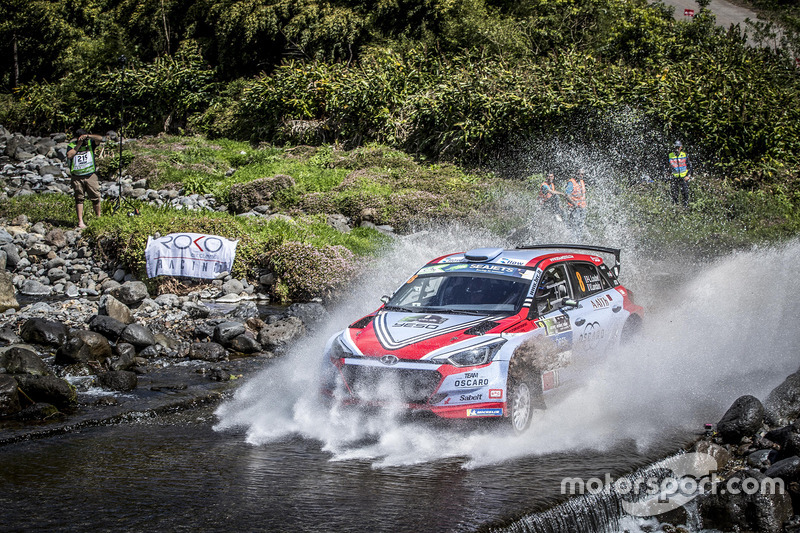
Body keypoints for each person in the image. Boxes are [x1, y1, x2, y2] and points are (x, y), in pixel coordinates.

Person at [66, 128, 104, 228]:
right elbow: (69, 155)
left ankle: (98, 218)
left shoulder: (90, 143)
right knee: (79, 198)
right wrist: (78, 144)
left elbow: (100, 138)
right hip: (77, 176)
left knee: (95, 197)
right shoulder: (72, 145)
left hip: (90, 175)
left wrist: (88, 136)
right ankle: (80, 222)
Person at [667, 140, 693, 207]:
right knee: (674, 193)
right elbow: (666, 166)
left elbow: (690, 166)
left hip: (683, 177)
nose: (677, 149)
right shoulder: (670, 155)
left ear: (681, 147)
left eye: (678, 147)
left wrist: (688, 176)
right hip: (674, 177)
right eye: (676, 147)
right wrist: (668, 173)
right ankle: (675, 207)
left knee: (685, 193)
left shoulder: (684, 155)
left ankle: (685, 207)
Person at [564, 169, 587, 239]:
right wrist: (575, 204)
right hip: (574, 208)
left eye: (582, 174)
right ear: (575, 174)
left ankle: (579, 242)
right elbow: (567, 195)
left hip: (582, 208)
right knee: (574, 226)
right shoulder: (571, 182)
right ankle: (573, 243)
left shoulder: (581, 182)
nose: (580, 175)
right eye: (579, 174)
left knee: (580, 226)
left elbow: (582, 194)